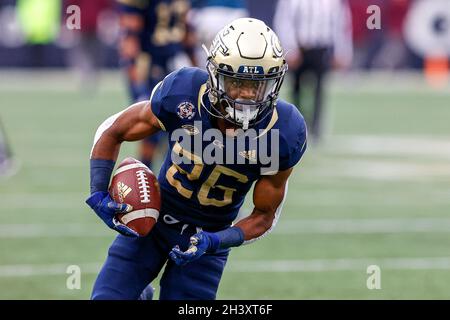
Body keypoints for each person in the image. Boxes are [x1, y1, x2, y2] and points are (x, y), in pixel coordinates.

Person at [86, 18, 307, 300]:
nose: (248, 96)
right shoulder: (184, 91)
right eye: (238, 82)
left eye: (258, 85)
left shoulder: (284, 131)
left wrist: (216, 241)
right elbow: (114, 129)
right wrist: (98, 190)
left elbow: (264, 215)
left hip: (207, 244)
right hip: (152, 225)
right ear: (215, 75)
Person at [117, 0, 192, 170]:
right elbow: (130, 38)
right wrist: (137, 82)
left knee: (183, 125)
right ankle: (143, 173)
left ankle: (171, 178)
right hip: (150, 65)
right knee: (151, 126)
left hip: (175, 63)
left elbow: (187, 33)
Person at [274, 0, 353, 143]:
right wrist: (290, 48)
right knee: (297, 88)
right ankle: (297, 126)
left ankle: (316, 128)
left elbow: (340, 23)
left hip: (321, 47)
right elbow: (284, 20)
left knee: (319, 89)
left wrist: (342, 50)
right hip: (300, 47)